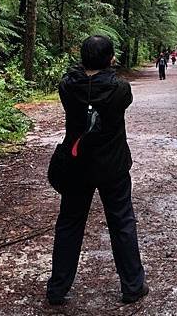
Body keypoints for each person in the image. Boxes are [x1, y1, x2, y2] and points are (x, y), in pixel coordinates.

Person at [47, 35, 148, 306]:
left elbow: (74, 84)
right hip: (112, 166)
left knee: (69, 223)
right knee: (122, 222)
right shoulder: (120, 89)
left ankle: (57, 289)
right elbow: (119, 100)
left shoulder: (68, 87)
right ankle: (132, 286)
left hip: (75, 164)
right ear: (110, 58)